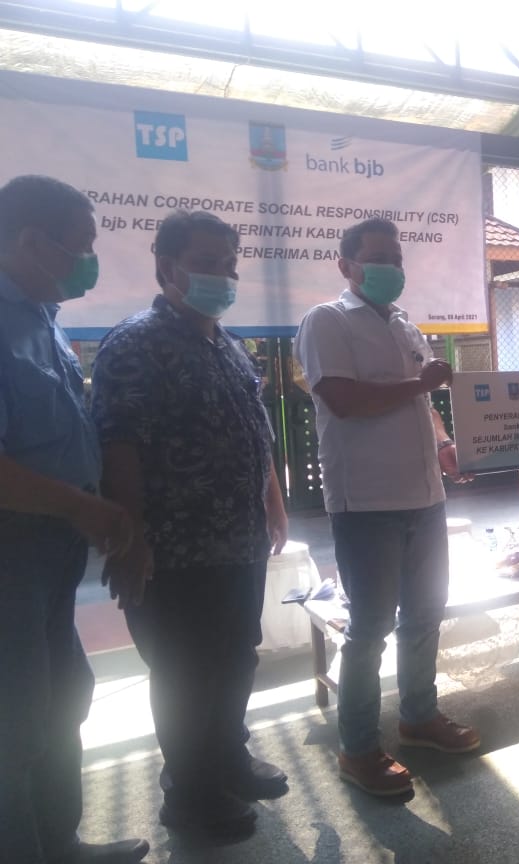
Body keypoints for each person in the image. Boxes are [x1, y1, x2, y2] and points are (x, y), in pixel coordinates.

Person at [91, 210, 289, 843]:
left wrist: (273, 504)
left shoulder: (227, 344)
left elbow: (255, 433)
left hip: (239, 541)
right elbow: (120, 445)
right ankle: (190, 794)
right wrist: (132, 537)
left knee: (235, 657)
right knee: (184, 673)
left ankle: (228, 758)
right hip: (173, 551)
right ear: (166, 267)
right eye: (206, 263)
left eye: (229, 264)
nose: (222, 276)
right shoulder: (134, 344)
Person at [294, 217, 479, 799]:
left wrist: (445, 445)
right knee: (371, 627)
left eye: (396, 258)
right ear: (346, 265)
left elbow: (422, 404)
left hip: (425, 496)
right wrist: (421, 385)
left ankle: (418, 717)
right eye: (377, 258)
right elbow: (343, 400)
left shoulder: (404, 323)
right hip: (366, 502)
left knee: (424, 615)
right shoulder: (326, 321)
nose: (390, 268)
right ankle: (357, 749)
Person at [0, 174, 148, 864]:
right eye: (81, 245)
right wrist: (83, 505)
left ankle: (58, 844)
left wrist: (86, 508)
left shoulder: (41, 318)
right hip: (11, 552)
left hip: (51, 547)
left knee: (62, 700)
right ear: (33, 241)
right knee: (16, 721)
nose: (90, 260)